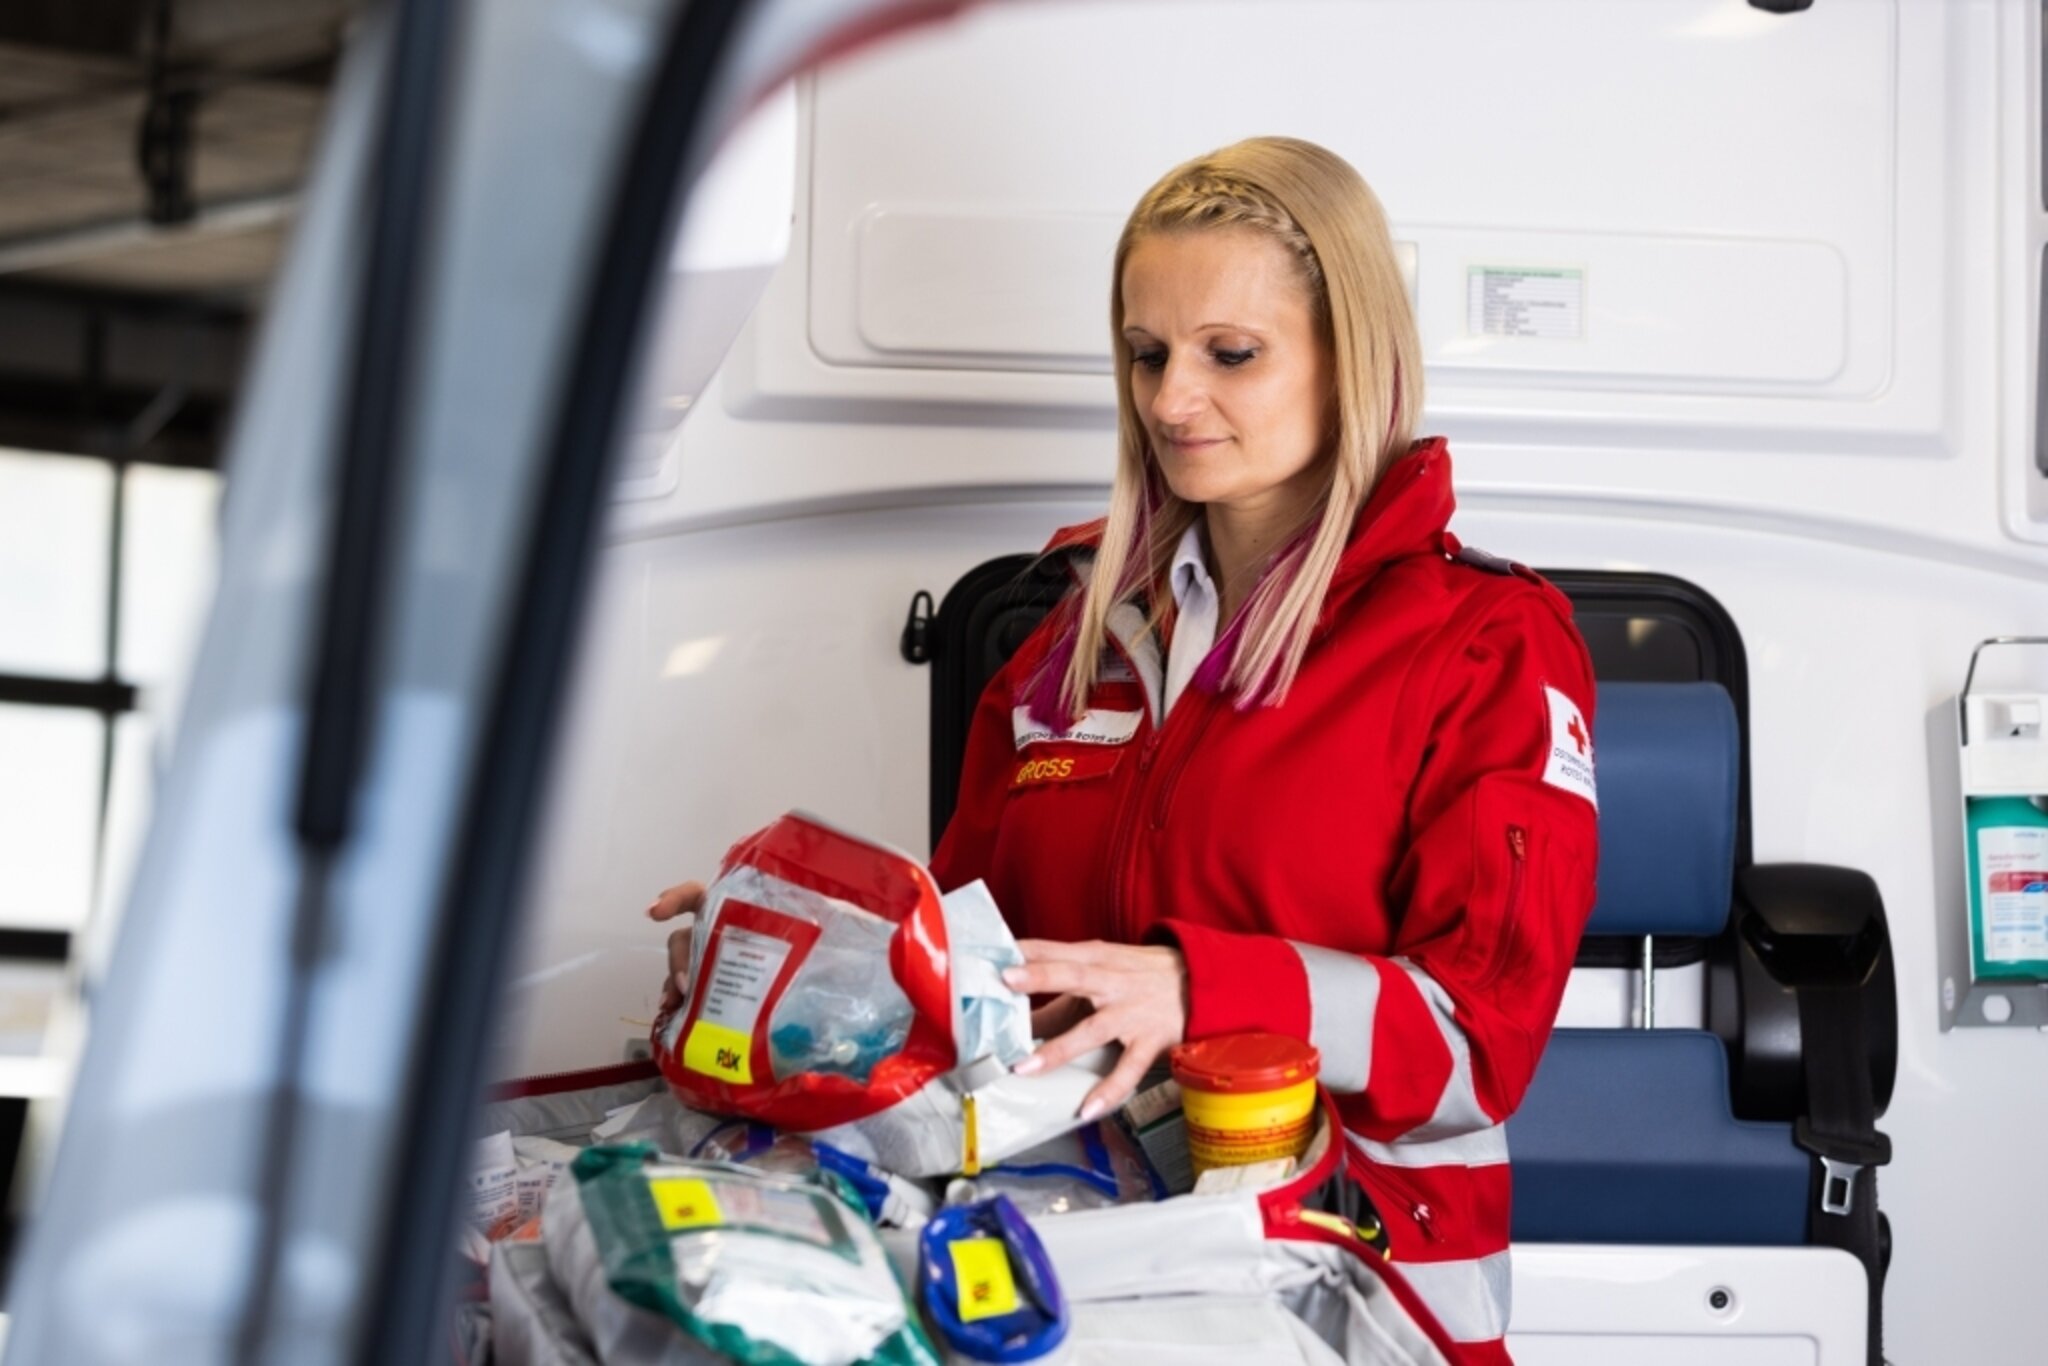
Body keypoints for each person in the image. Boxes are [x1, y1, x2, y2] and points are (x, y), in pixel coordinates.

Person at [651, 136, 1599, 1363]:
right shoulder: (1082, 627)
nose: (1167, 400)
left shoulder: (1486, 641)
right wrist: (811, 960)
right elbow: (981, 958)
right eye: (1147, 355)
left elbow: (1480, 1043)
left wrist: (1204, 985)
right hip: (1071, 1251)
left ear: (1350, 356)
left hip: (1345, 1276)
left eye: (1230, 354)